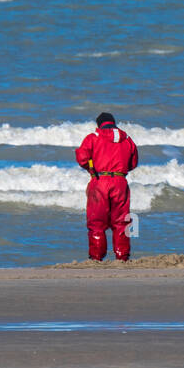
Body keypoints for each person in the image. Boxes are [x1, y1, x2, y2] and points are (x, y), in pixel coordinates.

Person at [75, 111, 139, 261]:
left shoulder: (93, 138)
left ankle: (96, 257)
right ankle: (122, 256)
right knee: (122, 221)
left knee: (96, 221)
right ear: (114, 123)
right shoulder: (127, 139)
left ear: (99, 125)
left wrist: (91, 168)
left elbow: (82, 158)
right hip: (120, 182)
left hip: (100, 181)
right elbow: (133, 163)